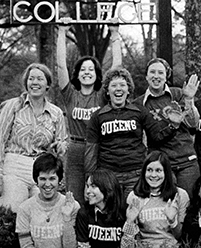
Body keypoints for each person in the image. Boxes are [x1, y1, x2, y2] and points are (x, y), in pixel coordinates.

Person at [85, 67, 181, 199]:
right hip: (109, 174)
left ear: (129, 89)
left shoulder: (139, 111)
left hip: (135, 173)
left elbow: (157, 136)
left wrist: (173, 126)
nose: (118, 89)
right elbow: (91, 149)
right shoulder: (98, 116)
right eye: (114, 85)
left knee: (134, 212)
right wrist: (90, 177)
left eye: (122, 85)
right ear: (107, 91)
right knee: (112, 214)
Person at [57, 17, 122, 206]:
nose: (87, 72)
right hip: (76, 149)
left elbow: (116, 66)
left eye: (91, 69)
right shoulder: (70, 94)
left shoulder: (102, 94)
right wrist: (62, 32)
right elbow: (61, 65)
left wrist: (115, 33)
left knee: (100, 197)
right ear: (77, 73)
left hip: (99, 148)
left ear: (97, 74)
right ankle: (77, 234)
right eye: (83, 69)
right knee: (75, 198)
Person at [0, 63, 67, 213]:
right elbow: (0, 140)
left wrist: (61, 146)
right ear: (26, 83)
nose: (35, 83)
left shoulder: (56, 113)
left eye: (40, 79)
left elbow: (63, 141)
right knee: (12, 211)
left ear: (47, 84)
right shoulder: (13, 106)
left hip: (42, 170)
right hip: (14, 166)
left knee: (44, 213)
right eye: (31, 79)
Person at [133, 57, 200, 199]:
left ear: (166, 76)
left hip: (186, 161)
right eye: (152, 72)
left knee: (189, 205)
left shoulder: (179, 93)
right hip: (161, 165)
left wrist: (188, 99)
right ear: (146, 76)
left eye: (160, 73)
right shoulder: (138, 104)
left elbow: (193, 124)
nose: (156, 76)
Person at [120, 151, 189, 248]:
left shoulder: (180, 195)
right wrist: (130, 221)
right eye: (149, 170)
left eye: (158, 170)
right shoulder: (134, 197)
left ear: (166, 172)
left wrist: (172, 221)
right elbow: (126, 245)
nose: (153, 175)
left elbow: (182, 237)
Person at [16, 152, 80, 248]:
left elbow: (71, 246)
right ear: (36, 180)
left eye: (52, 179)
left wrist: (67, 218)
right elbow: (26, 245)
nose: (47, 184)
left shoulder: (73, 206)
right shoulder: (24, 209)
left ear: (59, 180)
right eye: (42, 179)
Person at [76, 168, 126, 247]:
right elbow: (83, 245)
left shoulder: (124, 212)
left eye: (93, 186)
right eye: (88, 186)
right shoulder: (84, 213)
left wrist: (130, 221)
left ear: (106, 187)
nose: (88, 191)